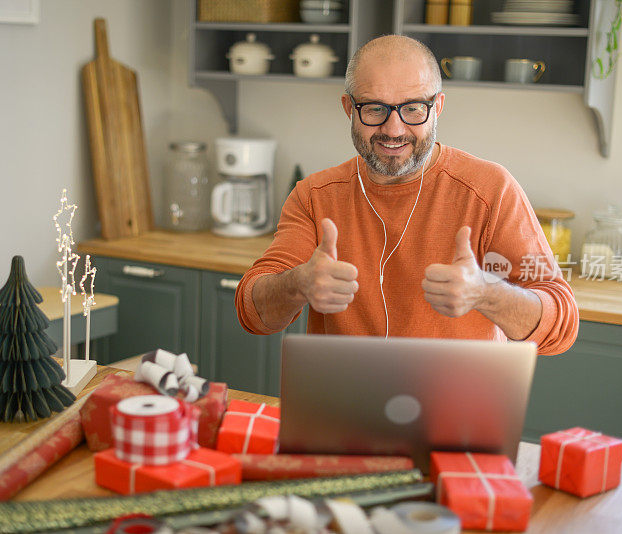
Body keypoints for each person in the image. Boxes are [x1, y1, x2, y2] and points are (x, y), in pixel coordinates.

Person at [235, 35, 578, 355]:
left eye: (413, 108)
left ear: (438, 106)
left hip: (458, 412)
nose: (393, 129)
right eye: (373, 108)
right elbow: (253, 315)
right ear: (348, 107)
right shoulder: (313, 195)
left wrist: (487, 293)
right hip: (343, 409)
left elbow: (561, 327)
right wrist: (298, 283)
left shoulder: (490, 189)